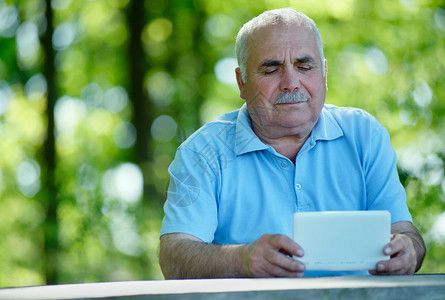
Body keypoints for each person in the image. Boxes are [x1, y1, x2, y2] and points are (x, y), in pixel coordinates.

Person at [159, 8, 426, 278]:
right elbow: (174, 257)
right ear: (242, 82)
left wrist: (409, 251)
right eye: (272, 69)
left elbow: (404, 231)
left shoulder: (364, 135)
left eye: (304, 66)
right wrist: (241, 259)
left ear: (323, 73)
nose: (290, 83)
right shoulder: (203, 153)